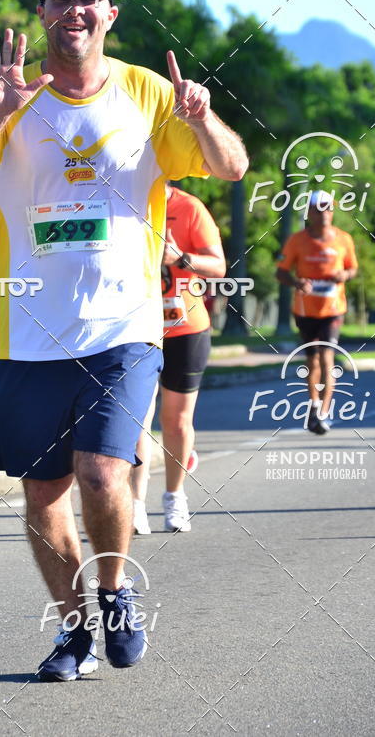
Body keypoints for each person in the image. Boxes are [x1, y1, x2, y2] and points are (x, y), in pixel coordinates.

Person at [0, 0, 247, 681]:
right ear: (42, 11)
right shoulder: (14, 94)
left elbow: (230, 166)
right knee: (43, 497)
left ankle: (112, 595)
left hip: (124, 331)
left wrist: (203, 117)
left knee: (104, 475)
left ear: (109, 10)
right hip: (28, 334)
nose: (75, 6)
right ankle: (73, 634)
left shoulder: (146, 92)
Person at [132, 185, 225, 535]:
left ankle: (174, 496)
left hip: (185, 327)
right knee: (137, 419)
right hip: (135, 327)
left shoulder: (189, 208)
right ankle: (135, 505)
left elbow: (218, 265)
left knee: (176, 422)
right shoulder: (118, 199)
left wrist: (180, 257)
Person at [276, 190, 358, 434]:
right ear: (309, 212)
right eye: (319, 208)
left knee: (327, 357)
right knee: (312, 362)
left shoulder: (344, 239)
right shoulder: (296, 240)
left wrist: (343, 275)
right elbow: (280, 272)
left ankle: (324, 412)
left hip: (333, 309)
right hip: (304, 309)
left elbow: (352, 268)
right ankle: (313, 407)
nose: (325, 212)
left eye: (329, 208)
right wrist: (297, 283)